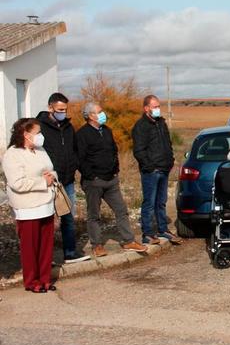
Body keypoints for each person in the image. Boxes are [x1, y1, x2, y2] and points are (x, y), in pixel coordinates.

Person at [76, 102, 147, 256]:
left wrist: (115, 170)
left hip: (111, 179)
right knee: (94, 215)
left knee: (121, 210)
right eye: (99, 112)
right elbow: (80, 159)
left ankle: (128, 241)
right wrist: (91, 176)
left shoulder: (106, 130)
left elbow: (114, 151)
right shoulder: (82, 134)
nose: (103, 114)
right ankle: (97, 245)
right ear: (90, 116)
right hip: (94, 181)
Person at [2, 118, 58, 293]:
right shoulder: (13, 154)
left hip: (46, 204)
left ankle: (45, 279)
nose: (41, 136)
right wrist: (43, 181)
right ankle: (32, 281)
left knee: (46, 245)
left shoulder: (40, 150)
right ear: (26, 135)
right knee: (30, 246)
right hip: (27, 207)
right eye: (37, 132)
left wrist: (51, 177)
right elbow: (17, 183)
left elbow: (51, 169)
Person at [36, 92, 90, 263]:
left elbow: (74, 149)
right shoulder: (39, 126)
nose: (63, 113)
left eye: (65, 109)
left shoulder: (68, 127)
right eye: (59, 109)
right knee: (46, 221)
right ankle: (46, 258)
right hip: (48, 181)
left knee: (68, 218)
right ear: (50, 108)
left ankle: (70, 253)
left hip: (66, 181)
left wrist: (74, 166)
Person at [131, 94, 183, 245]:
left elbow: (168, 143)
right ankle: (147, 233)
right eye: (155, 107)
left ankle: (163, 229)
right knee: (149, 202)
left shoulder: (161, 123)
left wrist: (171, 160)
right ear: (146, 108)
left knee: (161, 202)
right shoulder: (141, 126)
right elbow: (139, 151)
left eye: (158, 106)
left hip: (164, 169)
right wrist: (150, 166)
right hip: (151, 171)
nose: (158, 109)